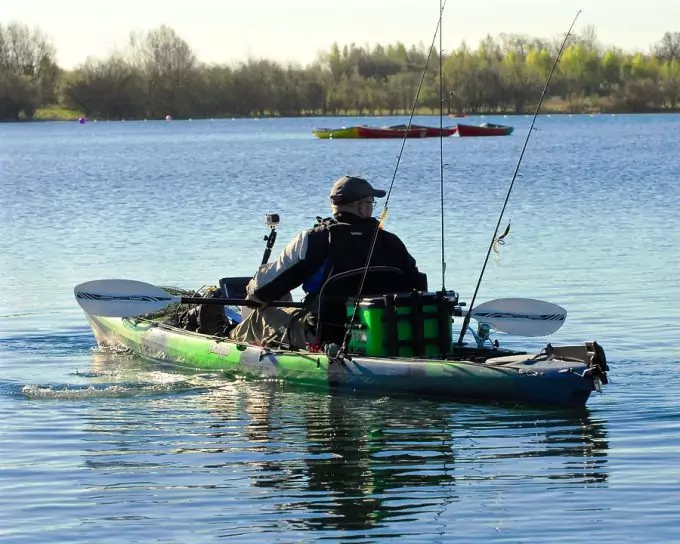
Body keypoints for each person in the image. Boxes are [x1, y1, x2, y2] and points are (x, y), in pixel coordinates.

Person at [228, 175, 428, 349]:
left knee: (263, 311)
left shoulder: (314, 238)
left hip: (325, 337)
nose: (371, 207)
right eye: (370, 202)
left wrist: (253, 289)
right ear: (360, 207)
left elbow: (263, 290)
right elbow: (418, 286)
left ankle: (226, 339)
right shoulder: (390, 241)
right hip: (385, 333)